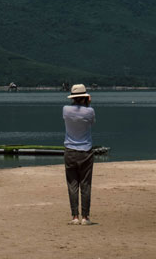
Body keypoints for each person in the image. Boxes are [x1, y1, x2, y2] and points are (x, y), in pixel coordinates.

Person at [62, 83, 96, 225]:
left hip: (70, 150)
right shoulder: (90, 111)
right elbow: (92, 123)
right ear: (84, 97)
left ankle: (75, 216)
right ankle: (85, 217)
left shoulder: (65, 110)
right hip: (86, 151)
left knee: (72, 184)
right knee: (86, 185)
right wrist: (88, 104)